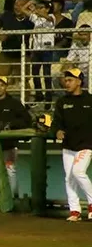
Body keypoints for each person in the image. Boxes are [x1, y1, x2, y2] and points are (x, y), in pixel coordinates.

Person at [0, 76, 31, 198]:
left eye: (2, 85)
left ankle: (12, 198)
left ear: (6, 87)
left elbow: (26, 120)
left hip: (10, 144)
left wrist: (9, 125)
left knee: (10, 171)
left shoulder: (14, 103)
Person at [52, 68, 92, 221]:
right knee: (69, 178)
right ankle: (74, 211)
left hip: (86, 144)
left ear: (79, 82)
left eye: (70, 80)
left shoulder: (90, 100)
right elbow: (56, 122)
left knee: (78, 171)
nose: (66, 83)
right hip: (68, 146)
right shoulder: (62, 102)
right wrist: (57, 131)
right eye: (66, 80)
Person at [26, 0, 56, 106]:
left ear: (47, 9)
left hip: (47, 50)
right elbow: (23, 9)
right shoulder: (36, 18)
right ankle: (39, 95)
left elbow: (48, 18)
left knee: (46, 73)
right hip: (36, 49)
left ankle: (48, 98)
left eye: (42, 7)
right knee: (35, 73)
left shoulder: (52, 17)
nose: (39, 10)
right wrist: (30, 2)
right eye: (38, 7)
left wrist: (38, 11)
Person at [0, 0, 34, 78]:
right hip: (6, 54)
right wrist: (0, 35)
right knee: (0, 79)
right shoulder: (6, 16)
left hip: (23, 55)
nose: (17, 7)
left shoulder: (31, 20)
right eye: (16, 4)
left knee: (24, 81)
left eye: (21, 5)